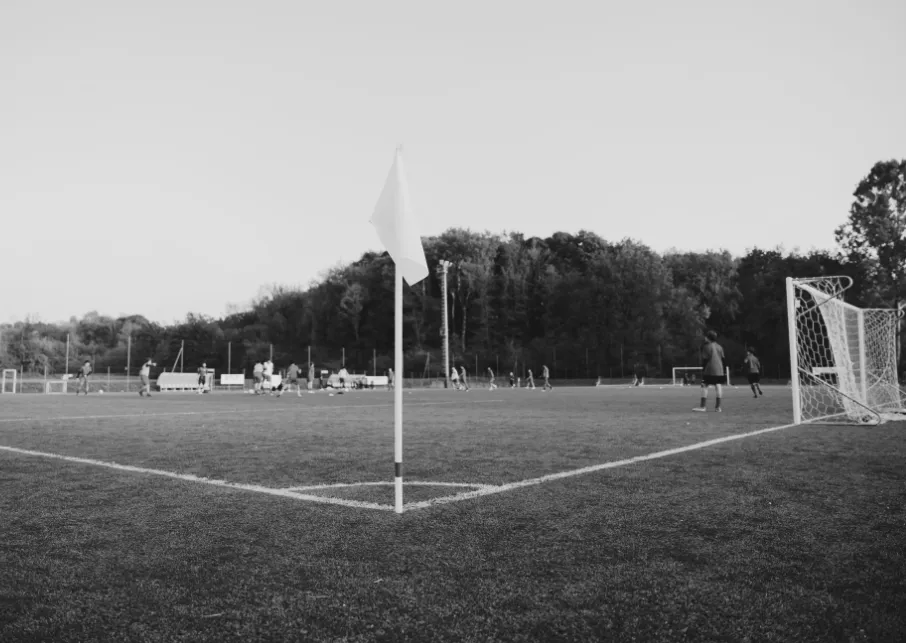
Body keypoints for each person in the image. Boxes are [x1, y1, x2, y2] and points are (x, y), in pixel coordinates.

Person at [694, 330, 726, 412]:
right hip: (720, 369)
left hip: (710, 369)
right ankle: (718, 407)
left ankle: (702, 407)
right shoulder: (720, 347)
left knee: (704, 385)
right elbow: (723, 359)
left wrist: (703, 369)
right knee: (718, 386)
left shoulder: (706, 346)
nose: (705, 338)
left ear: (708, 338)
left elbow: (705, 359)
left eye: (706, 336)